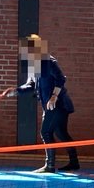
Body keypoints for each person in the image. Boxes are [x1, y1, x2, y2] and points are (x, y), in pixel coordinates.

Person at [14, 34, 80, 174]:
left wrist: (54, 96)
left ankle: (49, 166)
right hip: (49, 105)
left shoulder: (48, 62)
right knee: (61, 133)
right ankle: (74, 162)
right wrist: (16, 91)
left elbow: (61, 79)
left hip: (58, 104)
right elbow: (31, 85)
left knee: (46, 132)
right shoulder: (33, 66)